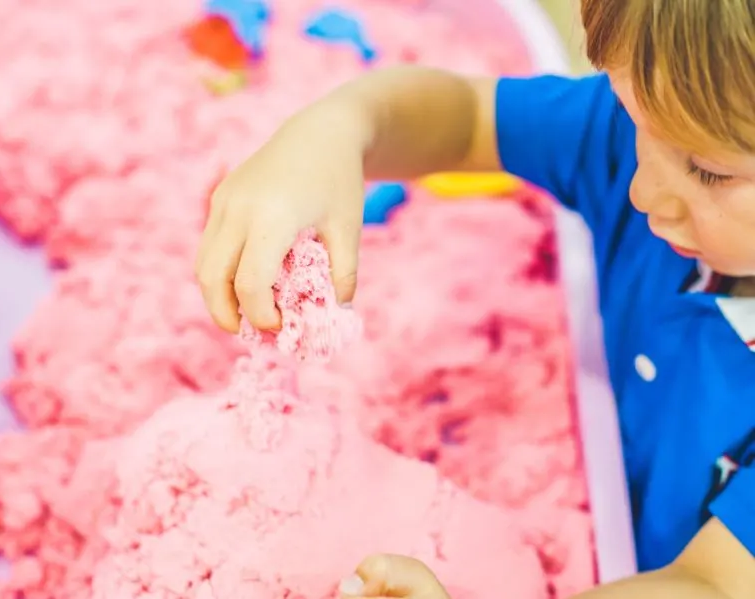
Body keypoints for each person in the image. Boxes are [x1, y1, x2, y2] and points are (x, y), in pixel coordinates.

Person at [196, 0, 755, 596]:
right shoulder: (642, 138)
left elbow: (710, 583)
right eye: (628, 109)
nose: (643, 190)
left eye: (708, 172)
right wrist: (335, 129)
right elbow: (469, 117)